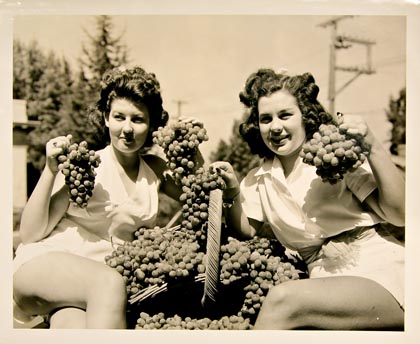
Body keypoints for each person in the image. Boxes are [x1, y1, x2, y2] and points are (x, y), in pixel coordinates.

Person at [211, 68, 405, 330]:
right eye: (266, 119)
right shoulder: (259, 177)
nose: (276, 127)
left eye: (285, 115)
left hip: (379, 270)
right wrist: (233, 192)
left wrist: (370, 143)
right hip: (323, 281)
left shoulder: (332, 157)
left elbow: (400, 215)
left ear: (305, 117)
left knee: (283, 300)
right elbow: (244, 230)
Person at [13, 65, 201, 329]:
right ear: (105, 118)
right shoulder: (87, 165)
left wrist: (192, 152)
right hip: (49, 265)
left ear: (151, 124)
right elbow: (31, 234)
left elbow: (200, 199)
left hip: (90, 292)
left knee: (72, 325)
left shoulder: (155, 170)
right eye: (119, 117)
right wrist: (50, 170)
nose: (127, 128)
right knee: (109, 282)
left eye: (137, 119)